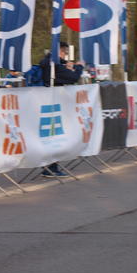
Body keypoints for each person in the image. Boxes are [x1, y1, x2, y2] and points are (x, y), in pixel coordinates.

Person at [38, 41, 84, 177]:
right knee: (54, 135)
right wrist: (79, 67)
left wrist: (68, 65)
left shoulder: (48, 62)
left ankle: (50, 166)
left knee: (50, 135)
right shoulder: (54, 65)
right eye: (64, 52)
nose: (65, 55)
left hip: (46, 103)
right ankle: (51, 167)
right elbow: (73, 78)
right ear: (59, 51)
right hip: (53, 104)